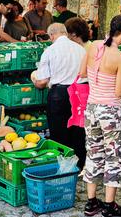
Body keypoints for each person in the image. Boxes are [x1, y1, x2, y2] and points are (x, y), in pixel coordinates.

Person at [79, 15, 121, 217]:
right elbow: (119, 92)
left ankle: (91, 203)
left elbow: (81, 72)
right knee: (114, 157)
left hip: (91, 108)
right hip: (110, 111)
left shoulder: (93, 46)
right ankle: (110, 205)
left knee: (93, 153)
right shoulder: (120, 58)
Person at [33, 23, 85, 153]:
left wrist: (34, 80)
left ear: (51, 36)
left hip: (59, 95)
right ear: (65, 33)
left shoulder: (50, 51)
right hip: (79, 93)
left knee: (59, 133)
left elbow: (42, 82)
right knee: (78, 132)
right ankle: (78, 165)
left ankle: (62, 164)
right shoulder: (81, 49)